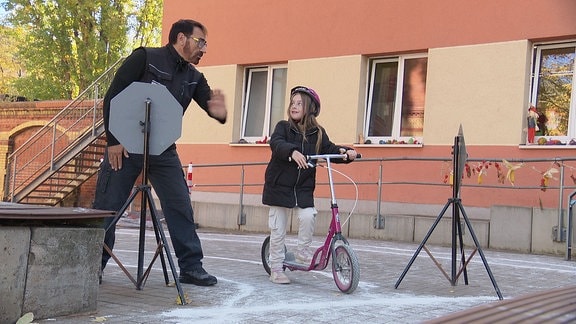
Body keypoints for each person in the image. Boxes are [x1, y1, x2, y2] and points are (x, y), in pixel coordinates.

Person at [93, 19, 227, 286]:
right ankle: (93, 265)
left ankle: (191, 268)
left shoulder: (194, 78)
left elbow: (212, 108)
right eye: (200, 42)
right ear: (181, 38)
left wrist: (219, 112)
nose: (204, 49)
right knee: (108, 207)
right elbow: (112, 97)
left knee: (180, 205)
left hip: (163, 149)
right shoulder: (144, 58)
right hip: (126, 145)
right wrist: (113, 141)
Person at [262, 86, 358, 284]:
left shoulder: (318, 133)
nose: (294, 107)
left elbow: (329, 149)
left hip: (303, 188)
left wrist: (347, 152)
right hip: (280, 185)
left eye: (299, 103)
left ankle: (302, 251)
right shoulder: (283, 127)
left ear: (310, 108)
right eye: (292, 103)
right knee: (278, 229)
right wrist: (292, 152)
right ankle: (277, 268)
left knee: (308, 215)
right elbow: (276, 143)